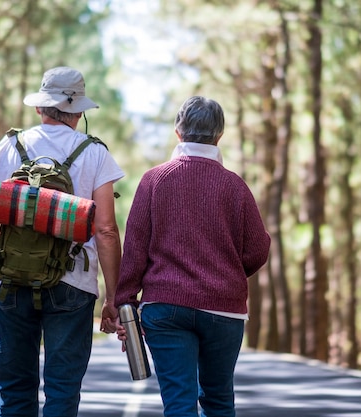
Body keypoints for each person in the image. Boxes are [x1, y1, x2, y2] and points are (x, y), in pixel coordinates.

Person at [0, 66, 124, 417]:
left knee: (15, 389)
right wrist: (114, 297)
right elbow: (107, 231)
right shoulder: (95, 153)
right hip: (73, 284)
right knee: (62, 391)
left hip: (10, 281)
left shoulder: (6, 149)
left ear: (40, 107)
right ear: (79, 111)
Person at [115, 96, 271, 417]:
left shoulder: (154, 180)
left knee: (179, 403)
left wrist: (124, 302)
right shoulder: (235, 187)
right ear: (219, 136)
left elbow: (134, 249)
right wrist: (227, 271)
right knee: (218, 402)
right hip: (224, 310)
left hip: (166, 307)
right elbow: (257, 249)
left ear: (177, 132)